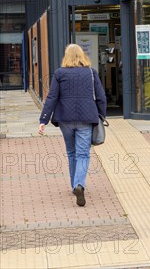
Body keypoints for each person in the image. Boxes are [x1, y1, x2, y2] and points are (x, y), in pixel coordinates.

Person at [38, 44, 106, 207]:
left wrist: (43, 120)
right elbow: (101, 96)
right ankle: (79, 185)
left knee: (71, 152)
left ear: (66, 57)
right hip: (86, 118)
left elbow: (52, 97)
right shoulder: (91, 72)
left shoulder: (59, 73)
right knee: (83, 154)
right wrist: (102, 115)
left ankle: (74, 185)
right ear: (82, 56)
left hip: (65, 119)